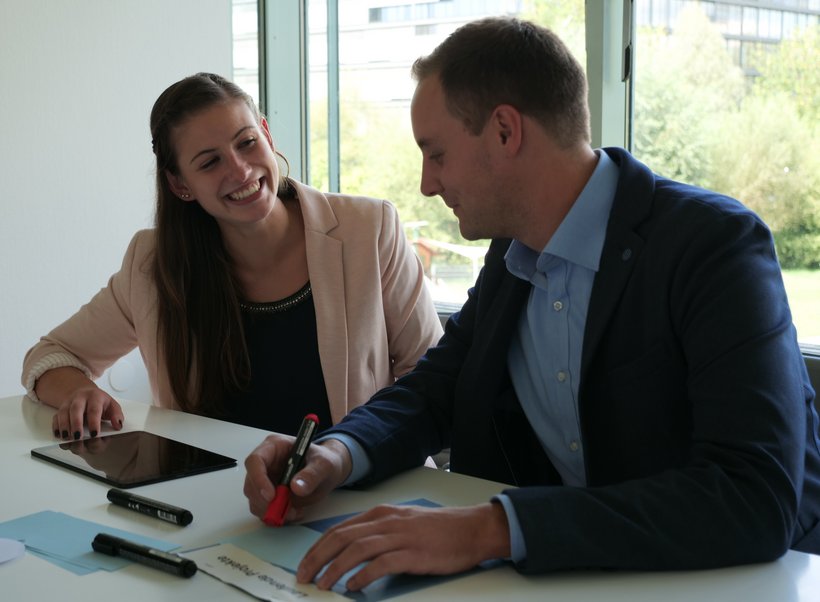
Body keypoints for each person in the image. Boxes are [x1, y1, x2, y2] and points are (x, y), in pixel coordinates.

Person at [242, 16, 820, 592]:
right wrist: (336, 453)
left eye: (436, 154)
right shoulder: (514, 250)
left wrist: (490, 529)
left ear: (504, 131)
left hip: (743, 580)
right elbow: (437, 387)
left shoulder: (714, 245)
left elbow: (752, 495)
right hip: (574, 579)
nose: (425, 183)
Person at [22, 72, 443, 441]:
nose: (240, 170)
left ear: (267, 135)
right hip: (210, 496)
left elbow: (430, 376)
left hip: (359, 487)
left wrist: (355, 455)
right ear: (180, 185)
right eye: (210, 163)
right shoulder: (152, 265)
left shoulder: (368, 228)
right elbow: (50, 356)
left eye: (247, 142)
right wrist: (80, 392)